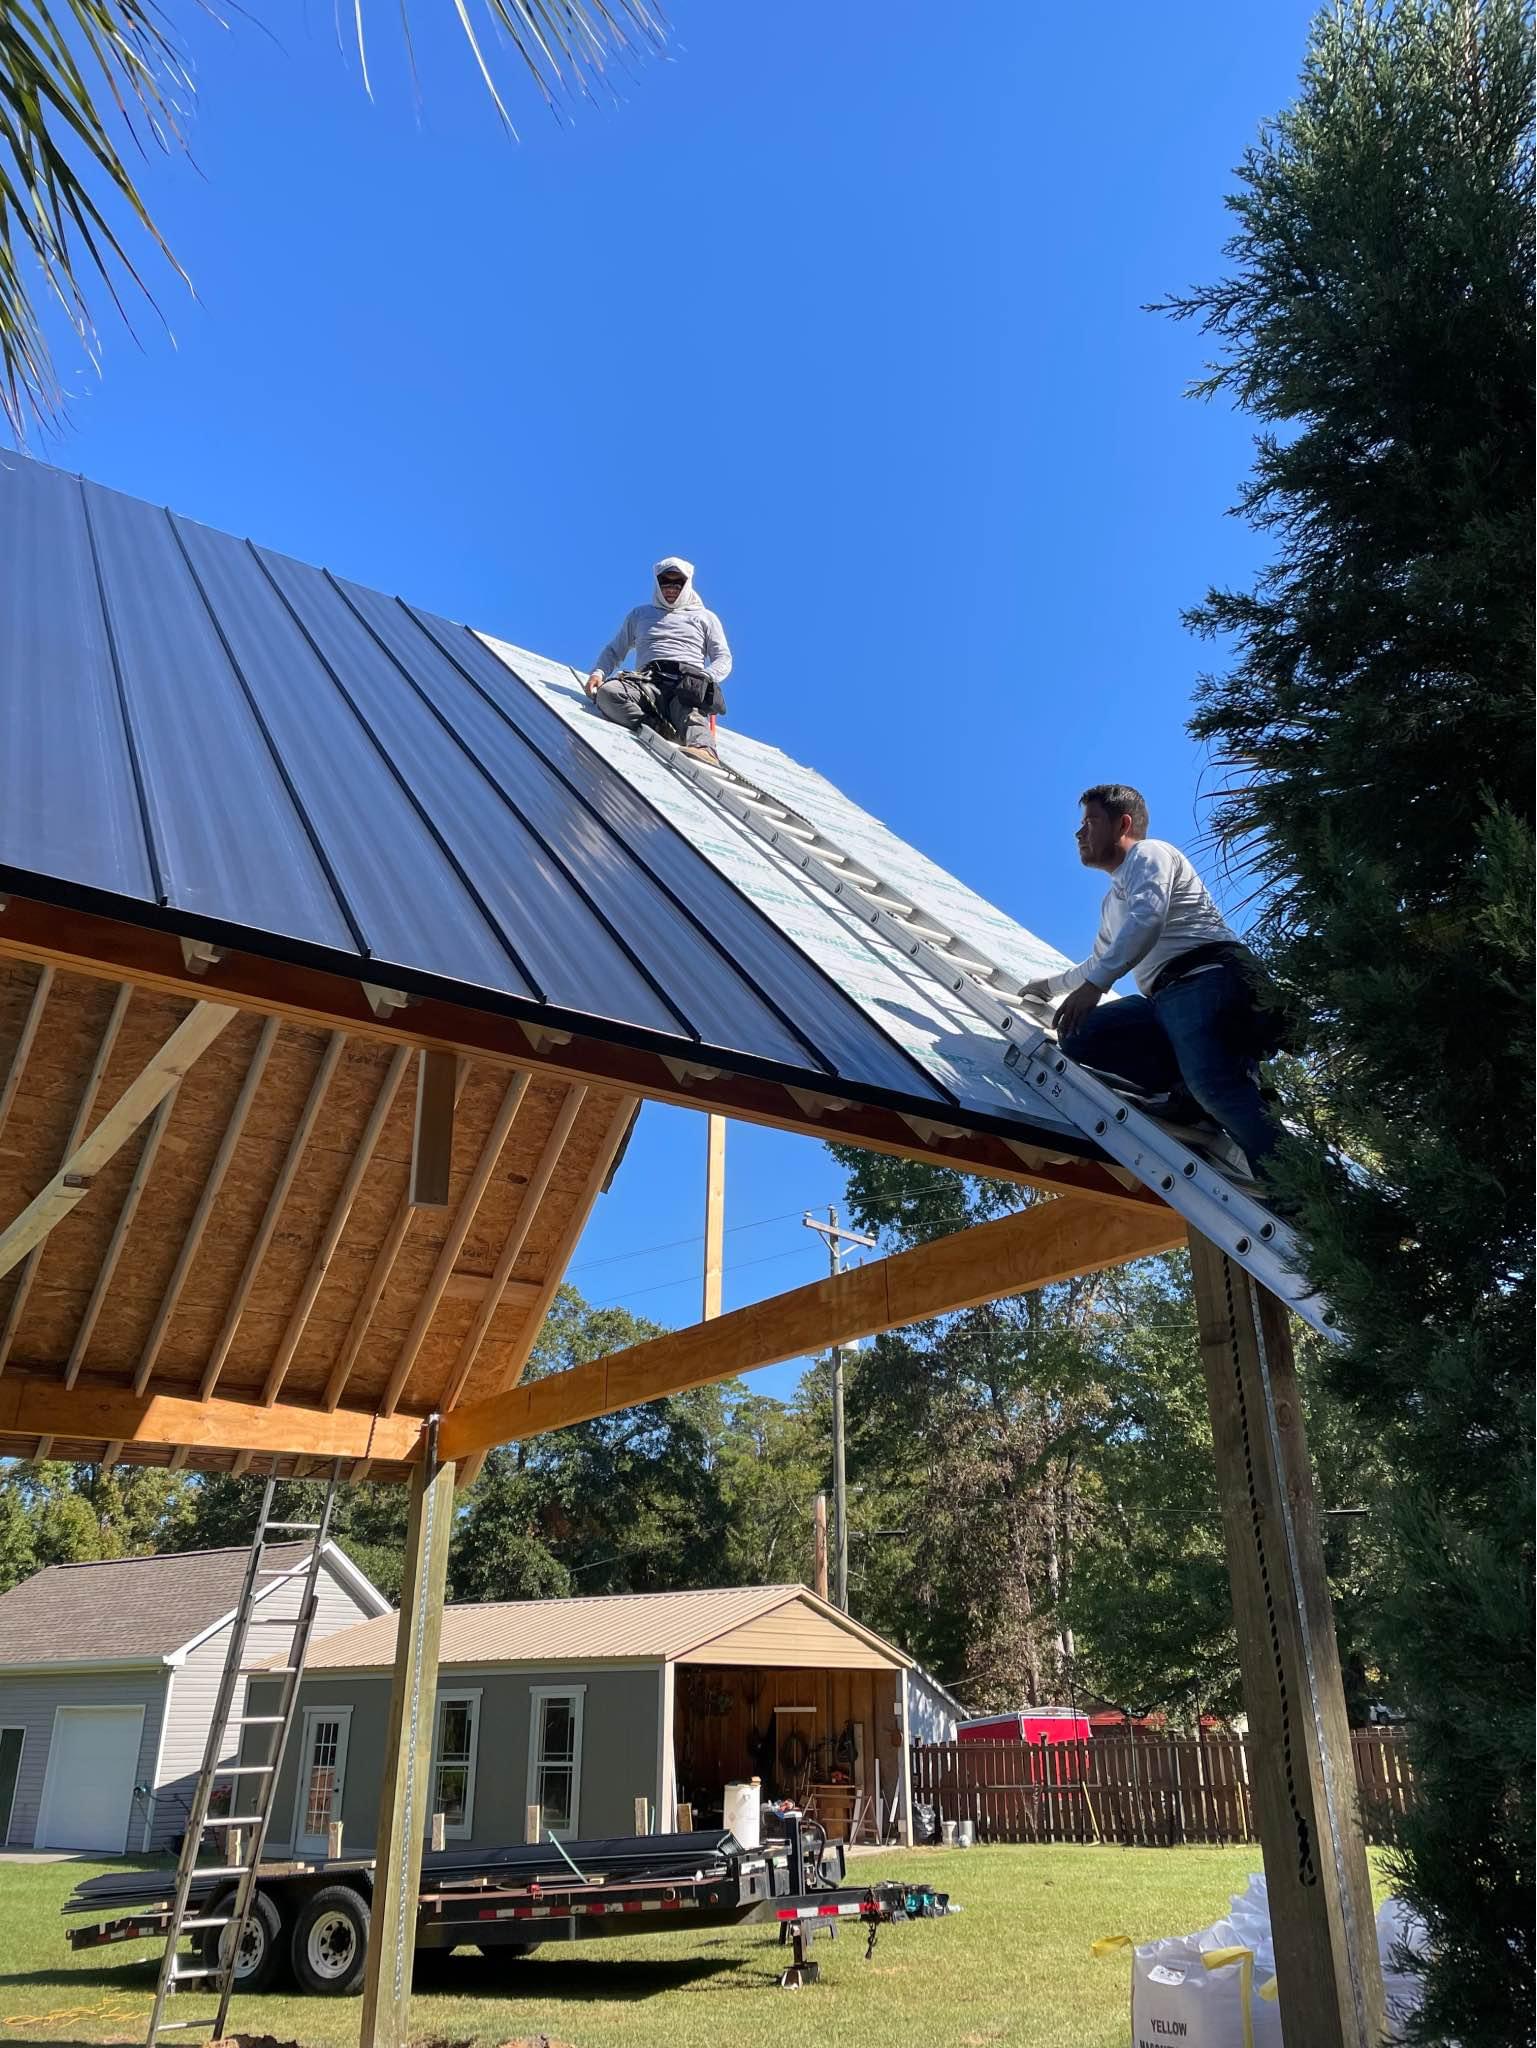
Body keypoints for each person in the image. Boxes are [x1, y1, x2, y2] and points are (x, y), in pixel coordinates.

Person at [1020, 783, 1282, 1173]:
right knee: (1079, 1032)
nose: (1080, 833)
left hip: (1206, 978)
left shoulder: (1150, 853)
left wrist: (1096, 987)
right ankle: (1188, 1090)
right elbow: (1098, 961)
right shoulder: (1112, 903)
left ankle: (1304, 1197)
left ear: (1122, 824)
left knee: (1218, 1090)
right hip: (1168, 1001)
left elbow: (1149, 918)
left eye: (1090, 822)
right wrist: (1050, 987)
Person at [584, 556, 732, 764]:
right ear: (657, 583)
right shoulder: (641, 615)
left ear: (687, 584)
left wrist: (705, 677)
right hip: (648, 680)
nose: (671, 589)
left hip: (685, 682)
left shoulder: (705, 617)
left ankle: (704, 749)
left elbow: (723, 658)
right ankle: (657, 727)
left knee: (690, 711)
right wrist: (598, 673)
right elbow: (614, 649)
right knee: (609, 694)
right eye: (665, 583)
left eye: (677, 583)